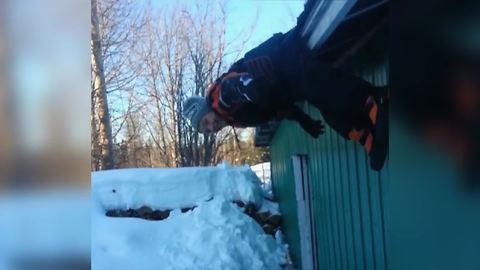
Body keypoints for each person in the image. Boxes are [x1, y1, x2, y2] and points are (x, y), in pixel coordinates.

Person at [182, 2, 388, 171]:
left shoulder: (221, 99)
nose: (211, 127)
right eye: (206, 130)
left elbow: (235, 87)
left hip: (283, 56)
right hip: (285, 82)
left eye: (206, 121)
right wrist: (301, 118)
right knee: (328, 109)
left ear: (208, 109)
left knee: (316, 85)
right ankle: (367, 134)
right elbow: (276, 104)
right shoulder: (234, 118)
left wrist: (249, 88)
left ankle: (374, 100)